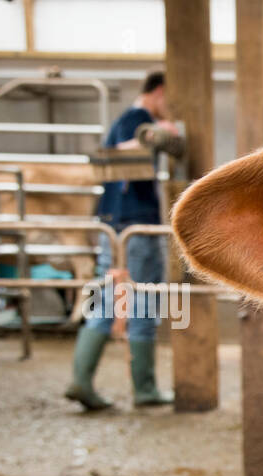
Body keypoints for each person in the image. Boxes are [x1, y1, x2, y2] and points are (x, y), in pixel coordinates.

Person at [64, 70, 176, 410]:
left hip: (111, 222)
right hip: (135, 224)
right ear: (160, 91)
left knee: (107, 299)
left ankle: (81, 380)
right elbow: (128, 146)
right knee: (143, 299)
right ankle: (144, 389)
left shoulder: (120, 119)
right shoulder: (137, 117)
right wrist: (160, 133)